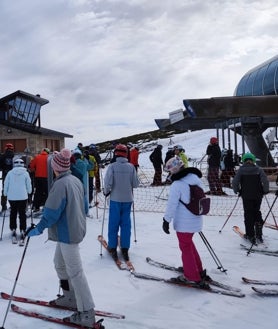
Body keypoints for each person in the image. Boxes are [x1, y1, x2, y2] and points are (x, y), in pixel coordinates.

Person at [26, 148, 104, 328]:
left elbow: (52, 212)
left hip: (69, 232)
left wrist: (39, 228)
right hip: (68, 230)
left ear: (56, 167)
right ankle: (70, 297)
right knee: (59, 264)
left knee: (76, 272)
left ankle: (87, 312)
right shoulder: (74, 180)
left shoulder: (61, 184)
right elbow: (84, 203)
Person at [162, 157, 209, 287]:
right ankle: (197, 270)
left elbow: (172, 204)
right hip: (196, 219)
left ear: (174, 170)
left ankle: (191, 276)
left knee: (185, 247)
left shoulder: (178, 184)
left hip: (184, 222)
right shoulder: (195, 179)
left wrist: (166, 220)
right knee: (189, 244)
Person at [103, 144, 139, 261]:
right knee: (125, 224)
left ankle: (112, 246)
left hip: (115, 198)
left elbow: (108, 182)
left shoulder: (112, 166)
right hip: (128, 199)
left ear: (116, 153)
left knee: (113, 223)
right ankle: (125, 247)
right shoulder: (131, 167)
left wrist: (106, 191)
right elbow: (135, 184)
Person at [232, 152, 269, 244]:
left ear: (243, 160)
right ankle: (259, 234)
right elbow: (265, 180)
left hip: (246, 196)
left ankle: (250, 235)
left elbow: (235, 182)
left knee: (248, 214)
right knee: (257, 212)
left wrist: (236, 190)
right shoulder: (258, 169)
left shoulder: (241, 170)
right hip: (258, 195)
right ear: (253, 160)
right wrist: (265, 190)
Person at [3, 158, 32, 242]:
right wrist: (29, 191)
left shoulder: (10, 173)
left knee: (13, 213)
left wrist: (5, 193)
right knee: (22, 213)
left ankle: (13, 228)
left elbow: (6, 184)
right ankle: (23, 229)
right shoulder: (25, 173)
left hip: (12, 197)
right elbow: (28, 183)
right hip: (23, 196)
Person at [29, 148, 50, 212]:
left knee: (38, 192)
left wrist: (35, 171)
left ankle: (36, 206)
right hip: (47, 177)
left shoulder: (37, 157)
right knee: (47, 192)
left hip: (38, 177)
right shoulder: (49, 158)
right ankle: (46, 206)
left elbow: (31, 166)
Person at [0, 143, 15, 212]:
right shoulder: (14, 156)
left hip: (5, 174)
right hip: (14, 175)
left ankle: (4, 205)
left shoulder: (2, 156)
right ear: (12, 148)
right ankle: (13, 205)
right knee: (14, 189)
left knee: (5, 190)